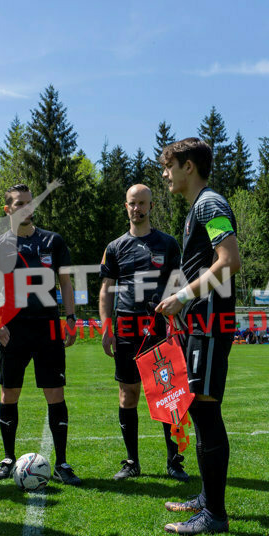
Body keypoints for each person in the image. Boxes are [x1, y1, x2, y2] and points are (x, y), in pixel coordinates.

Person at [155, 137, 241, 536]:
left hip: (209, 323)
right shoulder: (197, 210)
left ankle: (215, 516)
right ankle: (207, 499)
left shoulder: (211, 204)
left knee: (206, 412)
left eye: (169, 166)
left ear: (189, 166)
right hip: (198, 323)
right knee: (200, 409)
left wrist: (182, 297)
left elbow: (229, 261)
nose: (166, 174)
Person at [0, 183, 82, 486]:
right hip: (12, 330)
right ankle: (8, 458)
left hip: (47, 327)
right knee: (9, 393)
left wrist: (71, 317)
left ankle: (62, 462)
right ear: (7, 209)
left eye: (28, 202)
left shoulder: (53, 241)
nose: (25, 207)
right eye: (18, 203)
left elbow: (65, 283)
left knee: (55, 393)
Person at [99, 183, 187, 481]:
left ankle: (174, 462)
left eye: (142, 203)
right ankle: (131, 462)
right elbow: (106, 291)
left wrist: (178, 318)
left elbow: (180, 286)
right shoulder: (114, 247)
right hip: (125, 327)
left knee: (167, 395)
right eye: (131, 203)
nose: (136, 208)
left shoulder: (168, 244)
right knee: (128, 394)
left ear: (151, 206)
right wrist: (106, 326)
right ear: (126, 206)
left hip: (159, 327)